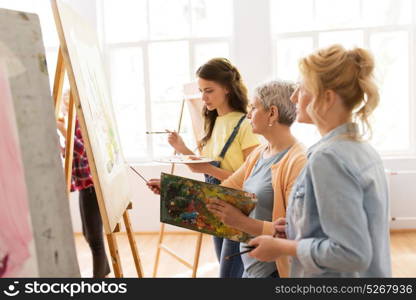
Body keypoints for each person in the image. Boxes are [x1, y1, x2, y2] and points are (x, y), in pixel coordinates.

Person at [248, 45, 392, 277]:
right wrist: (298, 226)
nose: (294, 97)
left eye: (301, 89)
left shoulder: (329, 159)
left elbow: (351, 253)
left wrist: (283, 247)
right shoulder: (362, 149)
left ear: (327, 98)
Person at [148, 80, 307, 278]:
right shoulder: (259, 153)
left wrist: (241, 222)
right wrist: (172, 190)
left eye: (254, 108)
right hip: (251, 267)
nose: (248, 114)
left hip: (275, 271)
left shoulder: (298, 161)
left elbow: (296, 232)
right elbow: (222, 192)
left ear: (272, 113)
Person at [161, 58, 260, 278]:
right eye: (200, 91)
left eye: (208, 91)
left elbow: (252, 181)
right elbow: (204, 167)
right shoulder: (213, 123)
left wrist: (209, 169)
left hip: (237, 212)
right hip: (215, 207)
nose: (203, 98)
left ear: (227, 89)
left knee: (228, 276)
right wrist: (182, 148)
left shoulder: (246, 125)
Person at [57, 91, 111, 278]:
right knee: (87, 234)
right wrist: (62, 147)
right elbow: (72, 153)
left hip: (93, 187)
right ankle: (105, 269)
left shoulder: (83, 122)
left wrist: (63, 130)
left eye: (66, 101)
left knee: (95, 238)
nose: (64, 104)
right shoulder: (72, 123)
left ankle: (98, 279)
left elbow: (82, 151)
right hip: (84, 186)